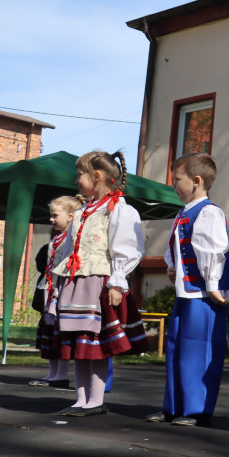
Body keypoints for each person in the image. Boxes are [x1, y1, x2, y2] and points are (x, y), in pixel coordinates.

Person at [50, 151, 148, 416]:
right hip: (75, 283)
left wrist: (117, 282)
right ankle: (80, 398)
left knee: (95, 342)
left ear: (97, 176)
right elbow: (70, 250)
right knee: (76, 341)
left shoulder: (118, 210)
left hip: (98, 283)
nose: (76, 180)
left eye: (80, 174)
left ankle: (96, 399)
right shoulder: (81, 212)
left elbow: (128, 248)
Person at [145, 153, 229, 427]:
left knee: (198, 351)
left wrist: (214, 284)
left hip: (203, 296)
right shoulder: (183, 212)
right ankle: (173, 406)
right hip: (186, 293)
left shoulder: (209, 212)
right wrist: (172, 267)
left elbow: (213, 251)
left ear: (196, 181)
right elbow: (177, 247)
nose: (173, 186)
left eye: (176, 180)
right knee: (176, 348)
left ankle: (195, 409)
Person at [30, 195, 82, 389]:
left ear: (70, 216)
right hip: (49, 290)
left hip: (61, 291)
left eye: (54, 215)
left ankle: (61, 375)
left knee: (60, 335)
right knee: (49, 334)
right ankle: (52, 373)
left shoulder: (73, 239)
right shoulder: (56, 239)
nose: (51, 219)